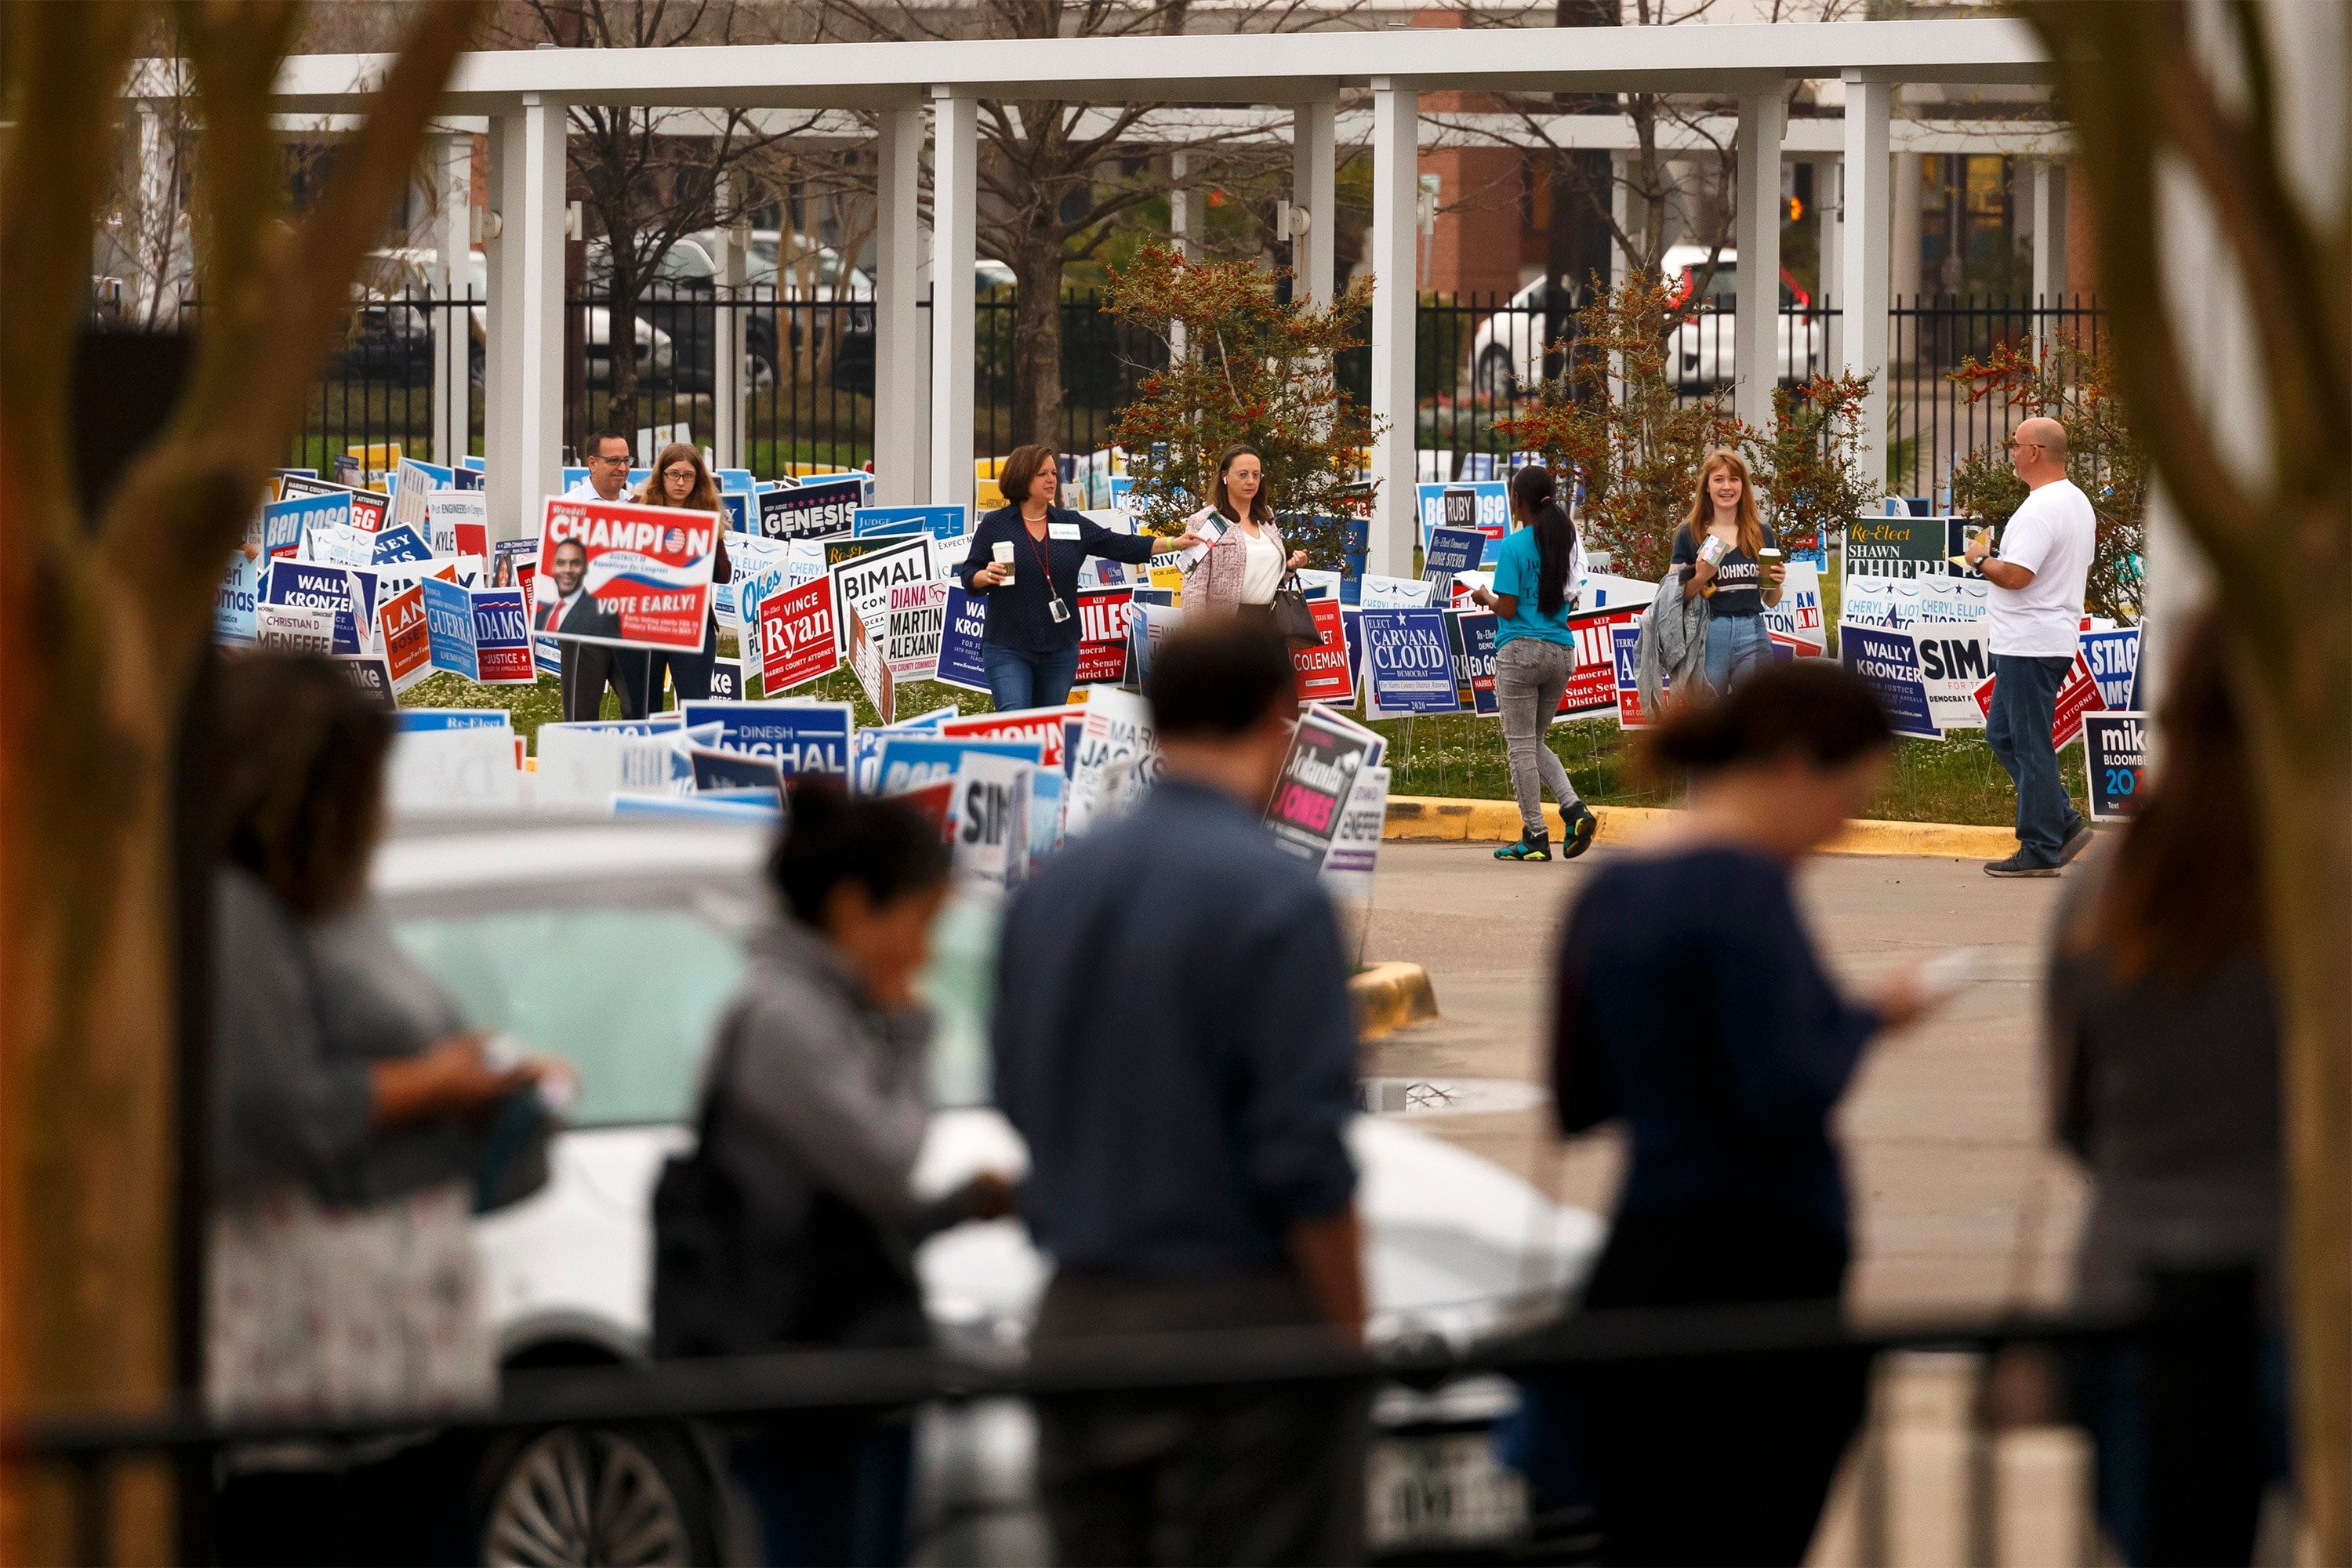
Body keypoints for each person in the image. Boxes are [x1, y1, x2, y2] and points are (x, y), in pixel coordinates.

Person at [991, 621, 1368, 1566]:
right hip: (1236, 1334)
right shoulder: (1279, 899)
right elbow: (1307, 1158)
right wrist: (1348, 1344)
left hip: (1077, 1323)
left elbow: (1016, 1090)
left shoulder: (1050, 891)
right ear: (1281, 722)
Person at [1548, 659, 1937, 1566]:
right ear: (1798, 767)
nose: (1841, 830)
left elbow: (1577, 1100)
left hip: (1636, 1268)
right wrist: (1865, 1021)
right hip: (1764, 1281)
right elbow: (1784, 1086)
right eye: (1849, 800)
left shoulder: (1608, 893)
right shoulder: (1748, 890)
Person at [208, 652, 562, 1563]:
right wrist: (438, 1084)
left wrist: (486, 1081)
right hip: (317, 1355)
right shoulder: (241, 909)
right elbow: (267, 1106)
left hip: (405, 1336)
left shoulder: (339, 904)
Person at [652, 779, 1014, 1566]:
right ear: (855, 909)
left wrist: (958, 1206)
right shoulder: (789, 1018)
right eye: (920, 924)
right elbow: (884, 1164)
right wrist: (912, 1028)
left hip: (846, 1368)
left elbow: (841, 1206)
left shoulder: (825, 1008)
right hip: (805, 1382)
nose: (925, 954)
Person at [2047, 615, 2285, 1566]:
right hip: (2287, 1290)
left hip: (2131, 1282)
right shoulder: (2311, 889)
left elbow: (2071, 1115)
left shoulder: (2107, 890)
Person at [957, 442, 1203, 711]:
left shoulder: (1070, 522)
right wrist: (984, 575)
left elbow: (1120, 544)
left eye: (1054, 473)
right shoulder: (997, 524)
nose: (1052, 479)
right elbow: (969, 573)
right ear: (1021, 477)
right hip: (1008, 646)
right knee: (1014, 718)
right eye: (1042, 474)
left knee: (1050, 726)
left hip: (1060, 647)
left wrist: (1173, 543)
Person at [1965, 416, 2096, 876]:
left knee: (2027, 742)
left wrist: (1981, 559)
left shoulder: (2041, 508)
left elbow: (2019, 576)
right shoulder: (2076, 502)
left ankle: (2040, 846)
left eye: (2014, 444)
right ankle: (2062, 821)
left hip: (2029, 640)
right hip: (2046, 636)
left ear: (2035, 452)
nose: (2011, 452)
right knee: (2004, 734)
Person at [1469, 463, 1597, 862]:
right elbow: (1573, 594)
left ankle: (1536, 835)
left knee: (1521, 747)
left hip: (1520, 652)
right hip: (1561, 650)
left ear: (1518, 500)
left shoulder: (1514, 546)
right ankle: (1573, 811)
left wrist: (1484, 597)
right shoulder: (1567, 541)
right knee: (1534, 742)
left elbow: (1507, 608)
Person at [1670, 448, 1784, 695]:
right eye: (1718, 479)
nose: (1727, 487)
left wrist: (1776, 583)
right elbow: (1674, 598)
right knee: (1710, 717)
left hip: (1752, 632)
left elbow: (1771, 600)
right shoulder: (1689, 534)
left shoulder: (1761, 533)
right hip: (1708, 634)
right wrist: (1700, 576)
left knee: (1756, 713)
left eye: (1734, 479)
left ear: (1743, 486)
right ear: (1707, 488)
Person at [557, 427, 652, 717]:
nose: (623, 468)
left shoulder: (640, 506)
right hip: (583, 625)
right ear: (592, 462)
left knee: (639, 707)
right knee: (580, 713)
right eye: (613, 461)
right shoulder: (570, 507)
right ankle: (579, 763)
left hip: (629, 624)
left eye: (627, 460)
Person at [633, 440, 733, 709]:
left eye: (688, 476)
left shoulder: (705, 512)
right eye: (674, 474)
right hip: (645, 619)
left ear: (697, 479)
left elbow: (724, 573)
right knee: (642, 706)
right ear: (661, 475)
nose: (680, 482)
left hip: (692, 619)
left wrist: (698, 550)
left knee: (695, 705)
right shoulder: (637, 507)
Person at [1181, 444, 1310, 624]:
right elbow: (1193, 588)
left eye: (1256, 475)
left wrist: (1289, 568)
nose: (1251, 481)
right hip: (1225, 628)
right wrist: (1197, 638)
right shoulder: (1204, 520)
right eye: (1243, 474)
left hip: (1270, 623)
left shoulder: (1266, 517)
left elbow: (1266, 579)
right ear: (1224, 477)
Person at [534, 536, 644, 722]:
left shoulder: (647, 507)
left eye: (574, 563)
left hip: (632, 619)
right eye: (561, 563)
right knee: (580, 717)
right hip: (581, 634)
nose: (567, 569)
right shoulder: (547, 615)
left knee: (639, 708)